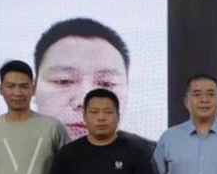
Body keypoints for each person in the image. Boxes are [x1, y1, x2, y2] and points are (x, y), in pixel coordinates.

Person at [33, 17, 155, 156]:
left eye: (106, 83)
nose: (84, 102)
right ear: (33, 89)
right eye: (63, 81)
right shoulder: (14, 152)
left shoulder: (154, 158)